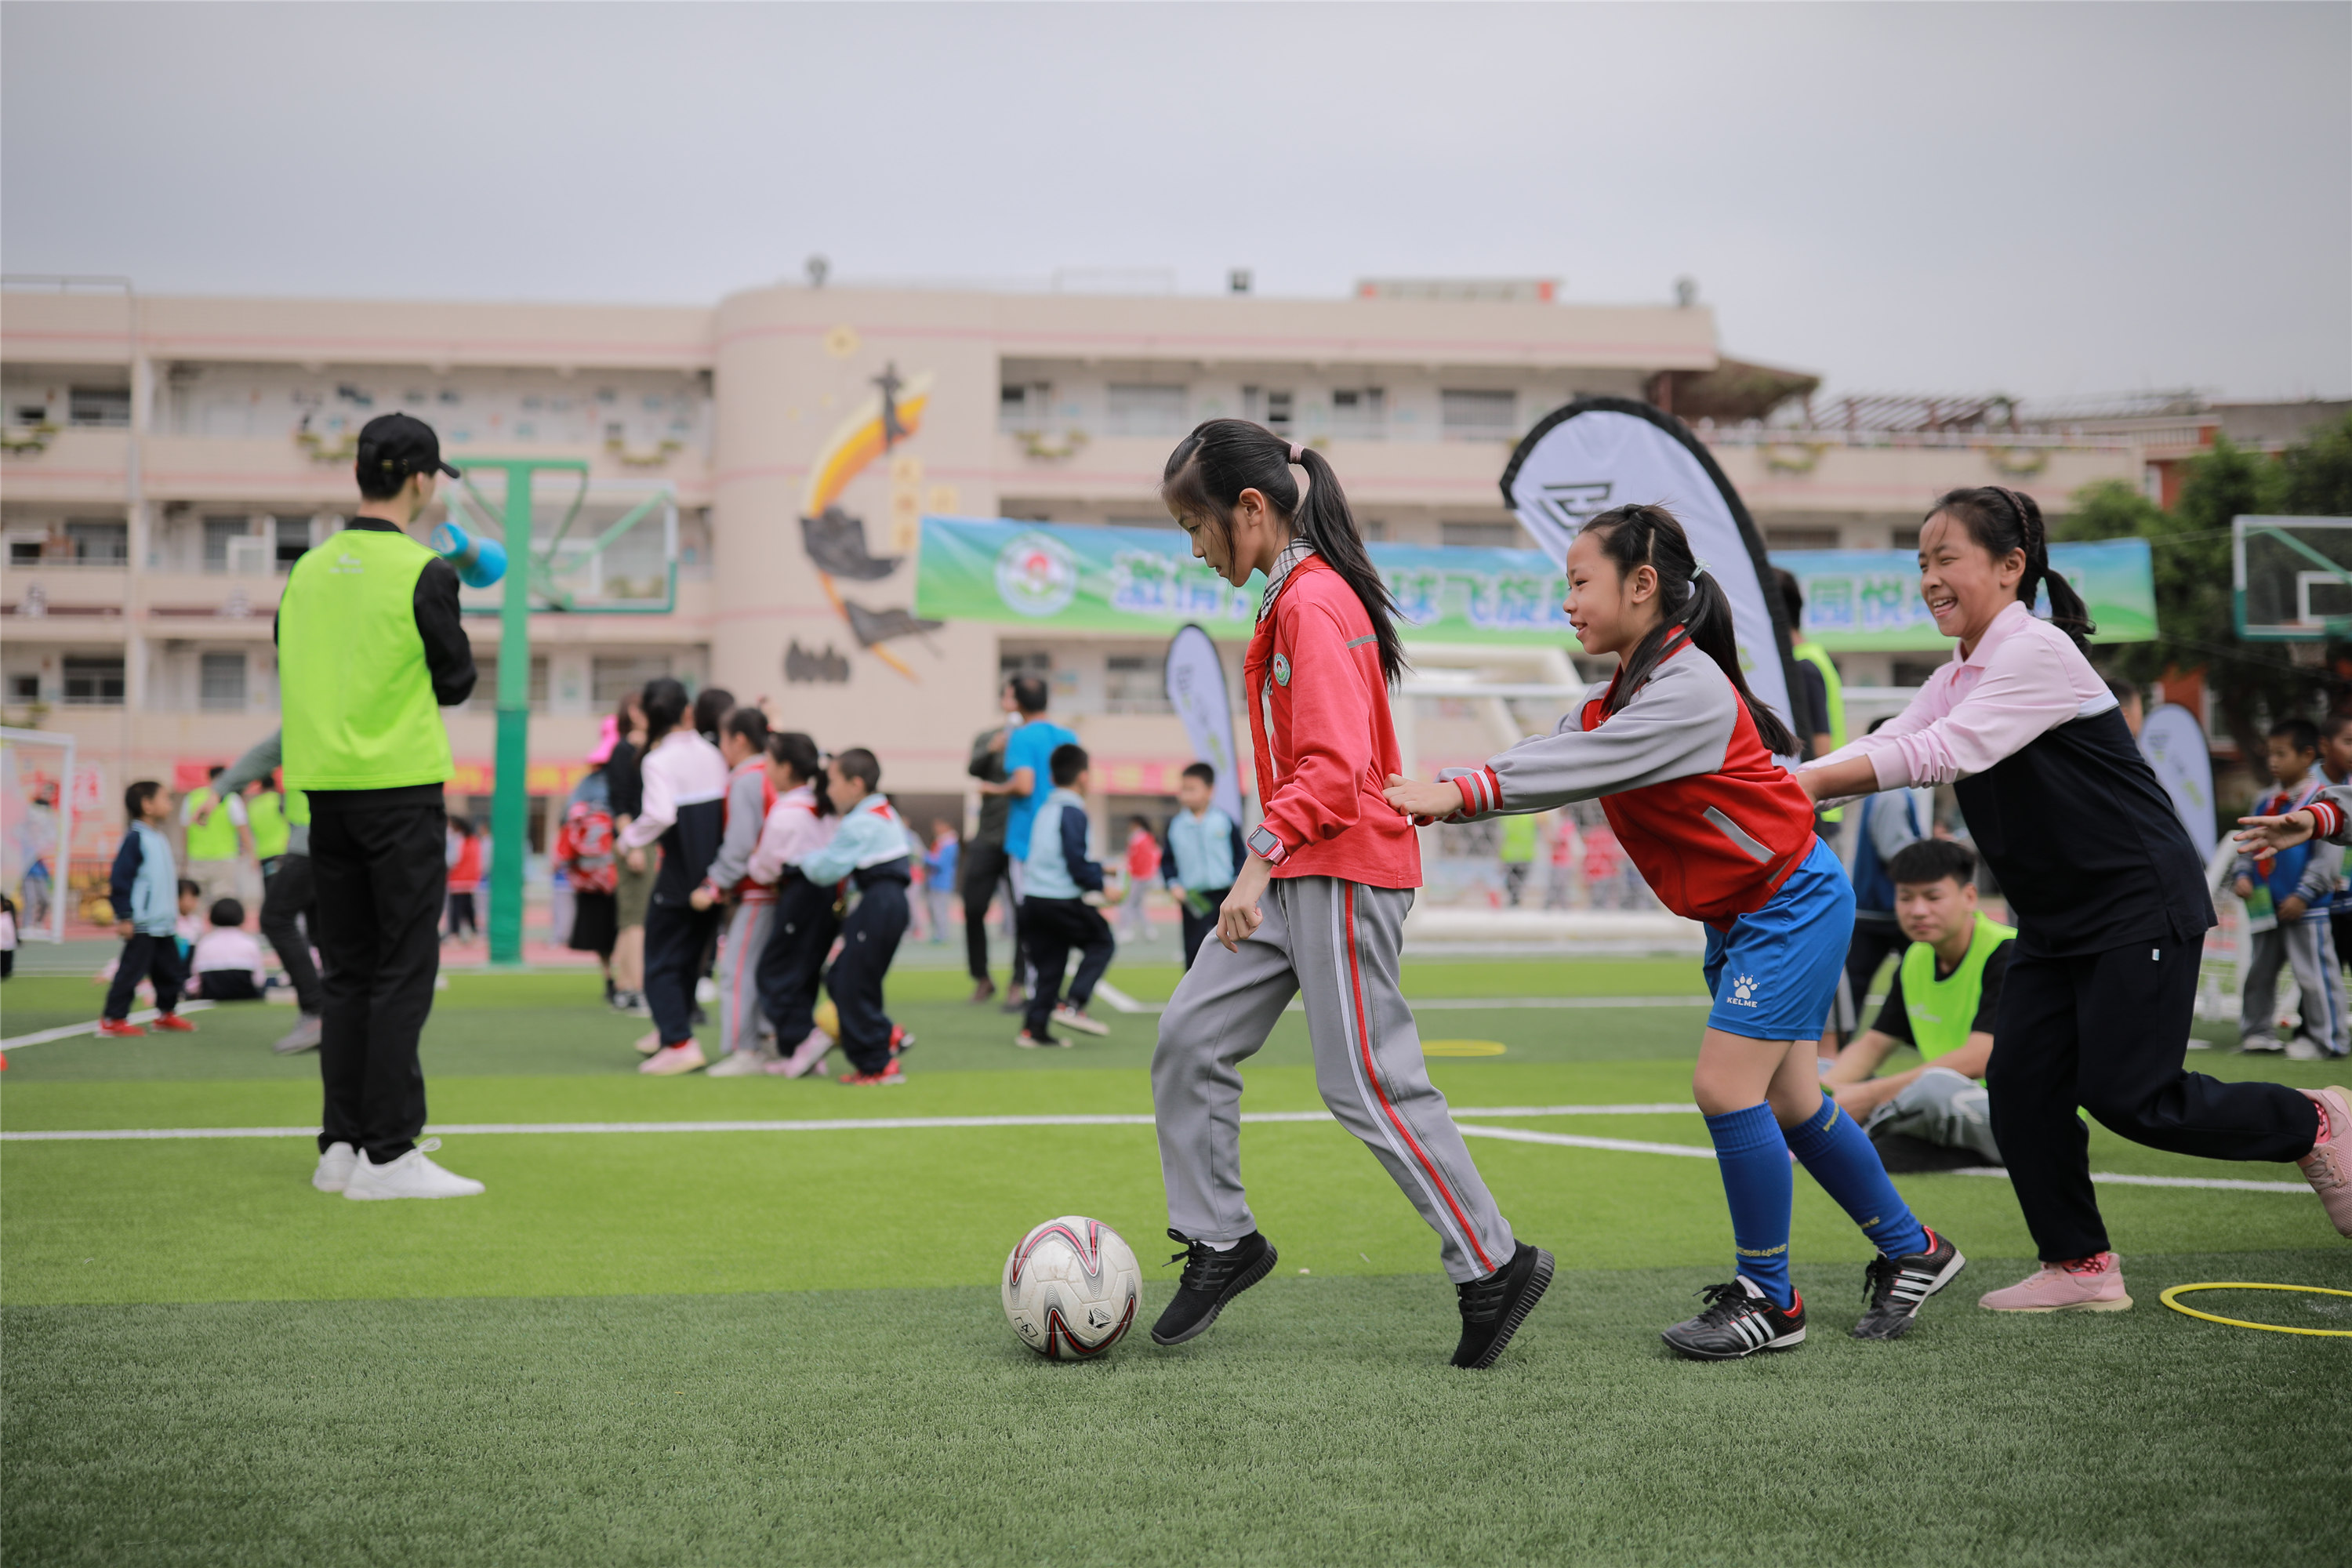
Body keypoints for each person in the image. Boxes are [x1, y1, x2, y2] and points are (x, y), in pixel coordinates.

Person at [1392, 500, 1959, 1358]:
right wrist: (1447, 784)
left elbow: (1577, 764)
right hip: (1752, 909)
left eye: (1581, 582)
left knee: (1726, 1088)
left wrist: (1460, 790)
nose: (1568, 601)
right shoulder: (1615, 699)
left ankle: (1771, 1299)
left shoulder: (1687, 688)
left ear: (1643, 584)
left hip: (1788, 901)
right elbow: (1547, 758)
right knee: (1797, 1103)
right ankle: (1915, 1250)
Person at [1802, 485, 2347, 1309]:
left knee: (2136, 1097)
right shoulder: (1958, 671)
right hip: (2054, 916)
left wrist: (1791, 785)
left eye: (1946, 559)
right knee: (2022, 1087)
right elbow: (1890, 738)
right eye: (1922, 563)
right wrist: (1782, 784)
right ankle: (2082, 1264)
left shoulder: (2037, 652)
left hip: (2137, 900)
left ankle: (2315, 1121)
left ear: (2011, 566)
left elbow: (1939, 751)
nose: (1930, 579)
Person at [1153, 419, 1550, 1371]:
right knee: (1189, 1038)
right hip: (1297, 868)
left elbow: (1334, 771)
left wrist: (1255, 861)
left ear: (1250, 509)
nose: (1193, 546)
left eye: (1192, 523)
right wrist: (1269, 862)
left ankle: (1493, 1262)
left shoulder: (1315, 602)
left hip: (1338, 865)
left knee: (1368, 1080)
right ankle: (1221, 1240)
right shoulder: (1290, 600)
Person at [279, 410, 483, 1200]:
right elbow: (457, 682)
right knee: (403, 970)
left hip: (324, 794)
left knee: (348, 971)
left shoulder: (307, 568)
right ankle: (391, 1155)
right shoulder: (424, 571)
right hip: (398, 791)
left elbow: (293, 654)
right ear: (423, 479)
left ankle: (341, 1146)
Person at [1821, 840, 2012, 1172]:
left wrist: (1869, 1096)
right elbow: (1872, 1045)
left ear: (1969, 897)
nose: (1918, 910)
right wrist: (1823, 1098)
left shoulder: (2007, 952)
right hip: (1944, 1106)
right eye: (1906, 898)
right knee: (1816, 1074)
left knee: (1932, 1089)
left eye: (1933, 897)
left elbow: (1980, 1057)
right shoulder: (1916, 958)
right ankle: (1853, 1131)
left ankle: (1870, 1130)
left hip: (2019, 1112)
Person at [619, 678, 731, 1076]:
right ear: (687, 712)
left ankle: (679, 1041)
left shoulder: (658, 760)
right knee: (690, 958)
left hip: (681, 870)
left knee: (662, 960)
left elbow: (661, 814)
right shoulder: (711, 751)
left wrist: (628, 838)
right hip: (714, 871)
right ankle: (673, 1029)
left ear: (648, 717)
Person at [2231, 718, 2347, 1061]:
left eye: (2281, 753)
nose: (2273, 761)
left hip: (2305, 908)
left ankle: (2330, 1040)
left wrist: (2304, 894)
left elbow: (2328, 858)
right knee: (2259, 974)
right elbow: (2249, 842)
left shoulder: (2322, 800)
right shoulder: (2265, 800)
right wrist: (2243, 874)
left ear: (2307, 754)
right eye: (2270, 753)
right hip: (2265, 905)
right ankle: (2257, 1033)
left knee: (2315, 977)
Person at [799, 748, 916, 1087]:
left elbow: (826, 869)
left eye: (833, 782)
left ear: (856, 784)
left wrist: (797, 861)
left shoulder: (861, 822)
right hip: (885, 903)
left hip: (880, 903)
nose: (828, 790)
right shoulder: (881, 810)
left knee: (852, 984)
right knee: (842, 978)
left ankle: (878, 1064)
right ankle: (885, 1035)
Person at [207, 731, 323, 1053]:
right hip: (315, 842)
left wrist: (220, 790)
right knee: (322, 928)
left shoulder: (314, 713)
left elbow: (268, 751)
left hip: (310, 842)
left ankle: (317, 1012)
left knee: (276, 918)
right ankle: (344, 1015)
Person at [689, 706, 779, 1075]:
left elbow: (741, 842)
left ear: (738, 740)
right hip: (782, 888)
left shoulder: (748, 778)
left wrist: (715, 882)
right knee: (765, 970)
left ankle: (747, 1050)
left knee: (738, 970)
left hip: (760, 890)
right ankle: (769, 1041)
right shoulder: (771, 772)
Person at [748, 731, 840, 1079]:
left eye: (770, 761)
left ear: (786, 768)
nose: (766, 768)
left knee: (776, 973)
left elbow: (765, 864)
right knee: (804, 972)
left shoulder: (787, 810)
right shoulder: (823, 806)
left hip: (799, 892)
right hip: (828, 893)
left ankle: (801, 1047)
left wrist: (759, 870)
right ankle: (802, 1049)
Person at [984, 676, 1076, 1015]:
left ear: (1018, 703)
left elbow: (1024, 785)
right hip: (1063, 834)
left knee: (1032, 919)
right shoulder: (1067, 736)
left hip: (1028, 840)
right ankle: (1056, 989)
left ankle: (1040, 991)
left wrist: (993, 789)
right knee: (1061, 915)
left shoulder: (1019, 737)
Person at [1018, 743, 1120, 1047]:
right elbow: (1075, 863)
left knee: (1051, 965)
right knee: (1102, 940)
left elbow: (1056, 857)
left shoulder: (1045, 811)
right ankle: (1074, 1004)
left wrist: (1100, 868)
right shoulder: (1073, 811)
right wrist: (1102, 885)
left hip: (1033, 901)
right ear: (1084, 777)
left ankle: (1033, 1030)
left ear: (1051, 777)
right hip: (1058, 900)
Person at [98, 780, 198, 1038]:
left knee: (170, 971)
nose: (170, 804)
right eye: (166, 799)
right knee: (131, 971)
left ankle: (166, 1014)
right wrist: (125, 915)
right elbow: (121, 879)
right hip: (143, 922)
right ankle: (113, 1018)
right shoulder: (136, 839)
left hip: (163, 923)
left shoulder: (158, 837)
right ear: (147, 805)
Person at [961, 684, 1022, 1004]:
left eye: (1016, 697)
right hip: (987, 835)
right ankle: (982, 977)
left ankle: (1018, 981)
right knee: (973, 908)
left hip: (1019, 839)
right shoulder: (988, 737)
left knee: (1024, 913)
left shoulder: (1030, 739)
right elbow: (973, 769)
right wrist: (993, 748)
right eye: (1008, 696)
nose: (1011, 703)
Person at [1162, 760, 1243, 970]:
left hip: (1225, 896)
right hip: (1192, 899)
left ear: (1210, 791)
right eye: (1183, 789)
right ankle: (1191, 999)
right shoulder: (1176, 825)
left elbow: (1240, 856)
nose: (1185, 795)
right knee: (1193, 949)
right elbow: (1167, 861)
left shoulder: (1224, 821)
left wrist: (1238, 882)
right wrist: (1173, 884)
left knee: (1229, 945)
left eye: (1192, 789)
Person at [554, 769, 620, 998]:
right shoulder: (620, 797)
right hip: (617, 879)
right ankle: (625, 981)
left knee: (601, 937)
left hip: (589, 883)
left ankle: (610, 978)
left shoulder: (581, 796)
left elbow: (565, 850)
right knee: (625, 930)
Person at [605, 691, 652, 1014]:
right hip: (636, 838)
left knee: (633, 919)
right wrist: (632, 843)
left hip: (648, 838)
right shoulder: (623, 751)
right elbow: (620, 803)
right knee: (636, 919)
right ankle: (635, 988)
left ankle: (624, 985)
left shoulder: (655, 749)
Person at [180, 764, 252, 909]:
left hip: (197, 858)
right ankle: (221, 931)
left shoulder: (192, 797)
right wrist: (252, 854)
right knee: (223, 901)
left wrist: (185, 859)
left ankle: (195, 931)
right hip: (224, 858)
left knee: (195, 902)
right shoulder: (231, 799)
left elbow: (185, 830)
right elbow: (243, 829)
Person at [188, 898, 269, 1001]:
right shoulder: (250, 942)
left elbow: (196, 978)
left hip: (211, 995)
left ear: (212, 917)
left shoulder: (204, 943)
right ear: (242, 917)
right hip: (246, 996)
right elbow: (259, 980)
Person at [2321, 713, 2352, 982]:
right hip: (2317, 904)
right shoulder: (2307, 787)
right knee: (2321, 976)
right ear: (2325, 745)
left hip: (2349, 900)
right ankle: (2312, 1025)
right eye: (2349, 741)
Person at [1118, 815, 1160, 944]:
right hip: (1145, 875)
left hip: (1138, 876)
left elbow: (1137, 859)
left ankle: (1126, 930)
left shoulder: (1138, 838)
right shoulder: (1148, 837)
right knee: (1137, 905)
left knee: (1127, 904)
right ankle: (1149, 930)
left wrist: (1130, 871)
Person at [444, 816, 482, 942]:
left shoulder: (457, 840)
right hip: (470, 879)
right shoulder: (473, 840)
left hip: (458, 879)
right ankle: (473, 932)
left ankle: (455, 933)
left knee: (456, 908)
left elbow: (453, 859)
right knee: (468, 907)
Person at [924, 818, 959, 946]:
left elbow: (940, 863)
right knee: (934, 909)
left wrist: (924, 856)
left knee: (940, 910)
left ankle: (942, 935)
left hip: (943, 882)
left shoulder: (950, 844)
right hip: (934, 881)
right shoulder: (941, 842)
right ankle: (938, 934)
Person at [1497, 811, 1537, 907]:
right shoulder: (1530, 816)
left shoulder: (1505, 816)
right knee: (1516, 884)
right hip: (1519, 856)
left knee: (1513, 884)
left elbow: (1500, 838)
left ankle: (1514, 903)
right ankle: (1514, 902)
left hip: (1516, 856)